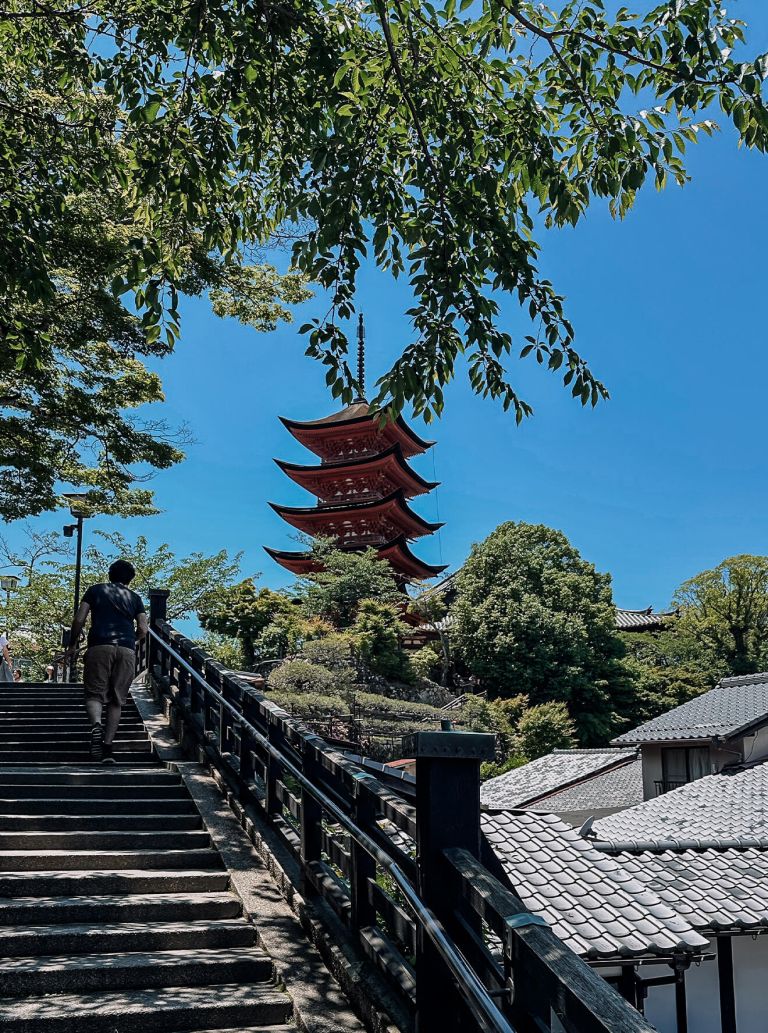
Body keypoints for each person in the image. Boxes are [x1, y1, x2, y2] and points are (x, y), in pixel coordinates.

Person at [68, 559, 148, 764]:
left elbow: (79, 619)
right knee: (116, 699)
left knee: (95, 694)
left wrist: (73, 644)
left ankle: (96, 725)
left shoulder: (94, 590)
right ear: (130, 579)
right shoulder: (135, 598)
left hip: (99, 646)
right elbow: (143, 629)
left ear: (110, 574)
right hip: (126, 649)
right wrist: (132, 639)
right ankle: (107, 748)